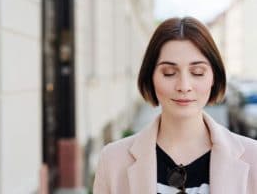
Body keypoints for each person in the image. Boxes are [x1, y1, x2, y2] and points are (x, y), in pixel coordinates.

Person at [93, 17, 257, 194]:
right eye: (169, 73)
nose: (184, 86)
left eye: (197, 72)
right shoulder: (113, 160)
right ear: (151, 77)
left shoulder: (253, 157)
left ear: (214, 77)